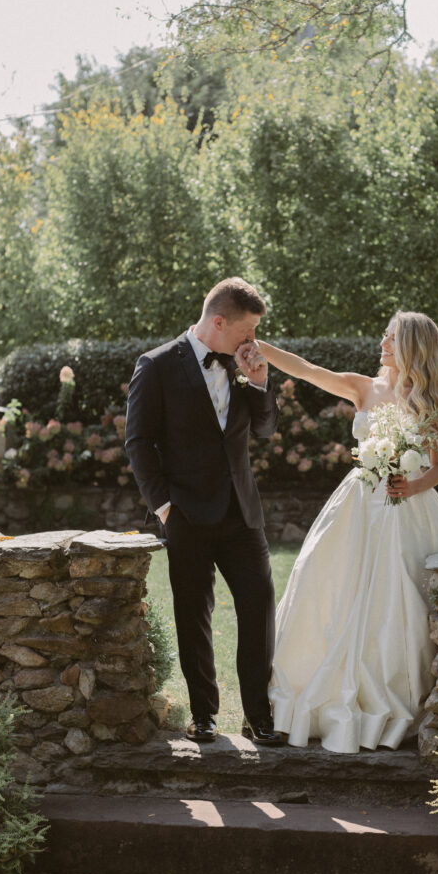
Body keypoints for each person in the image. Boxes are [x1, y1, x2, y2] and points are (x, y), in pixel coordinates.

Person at [242, 311, 438, 754]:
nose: (382, 342)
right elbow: (308, 370)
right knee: (327, 585)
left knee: (400, 599)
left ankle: (397, 698)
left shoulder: (430, 400)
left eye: (391, 338)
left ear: (412, 347)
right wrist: (259, 347)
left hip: (408, 513)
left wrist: (412, 484)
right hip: (358, 505)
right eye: (383, 334)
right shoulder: (363, 387)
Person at [125, 277, 285, 746]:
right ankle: (203, 715)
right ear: (219, 322)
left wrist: (259, 384)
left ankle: (258, 715)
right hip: (187, 514)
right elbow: (138, 442)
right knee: (193, 612)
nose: (253, 341)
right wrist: (165, 507)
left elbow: (266, 430)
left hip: (241, 511)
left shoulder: (246, 363)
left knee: (259, 607)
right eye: (248, 329)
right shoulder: (155, 366)